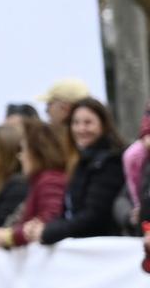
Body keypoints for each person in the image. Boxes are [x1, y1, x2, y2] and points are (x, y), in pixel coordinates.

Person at [18, 98, 125, 245]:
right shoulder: (79, 163)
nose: (81, 129)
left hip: (101, 247)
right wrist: (42, 227)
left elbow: (94, 216)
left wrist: (48, 232)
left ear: (103, 124)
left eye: (88, 122)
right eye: (76, 123)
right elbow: (68, 213)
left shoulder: (110, 163)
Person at [0, 120, 68, 248]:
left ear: (38, 152)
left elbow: (46, 223)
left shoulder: (50, 181)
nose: (20, 156)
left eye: (23, 150)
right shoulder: (39, 181)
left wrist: (4, 236)